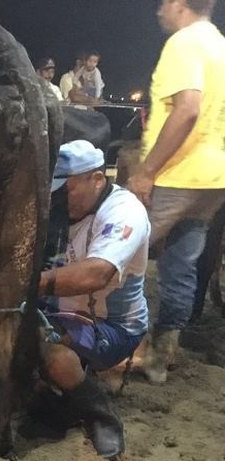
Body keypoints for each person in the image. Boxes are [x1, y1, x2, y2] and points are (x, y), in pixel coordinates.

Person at [0, 140, 151, 461]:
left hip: (110, 326)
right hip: (50, 310)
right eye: (56, 192)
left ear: (98, 179)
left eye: (69, 190)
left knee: (51, 354)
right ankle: (41, 391)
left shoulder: (125, 212)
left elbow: (96, 274)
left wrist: (11, 288)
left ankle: (100, 416)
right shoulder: (57, 209)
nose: (60, 200)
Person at [127, 0, 225, 383]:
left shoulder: (184, 44)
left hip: (176, 174)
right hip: (212, 180)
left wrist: (147, 172)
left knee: (120, 256)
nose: (157, 11)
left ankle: (118, 348)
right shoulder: (219, 44)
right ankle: (160, 357)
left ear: (179, 4)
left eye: (163, 3)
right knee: (181, 265)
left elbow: (187, 109)